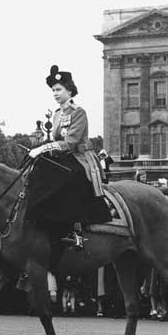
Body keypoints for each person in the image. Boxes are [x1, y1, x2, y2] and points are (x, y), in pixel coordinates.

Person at [27, 65, 111, 254]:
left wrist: (44, 147)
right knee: (39, 169)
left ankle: (76, 231)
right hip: (64, 157)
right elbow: (56, 140)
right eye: (53, 90)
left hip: (81, 158)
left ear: (69, 90)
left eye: (59, 89)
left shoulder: (78, 112)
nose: (55, 93)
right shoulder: (57, 114)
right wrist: (41, 151)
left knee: (68, 178)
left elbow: (71, 142)